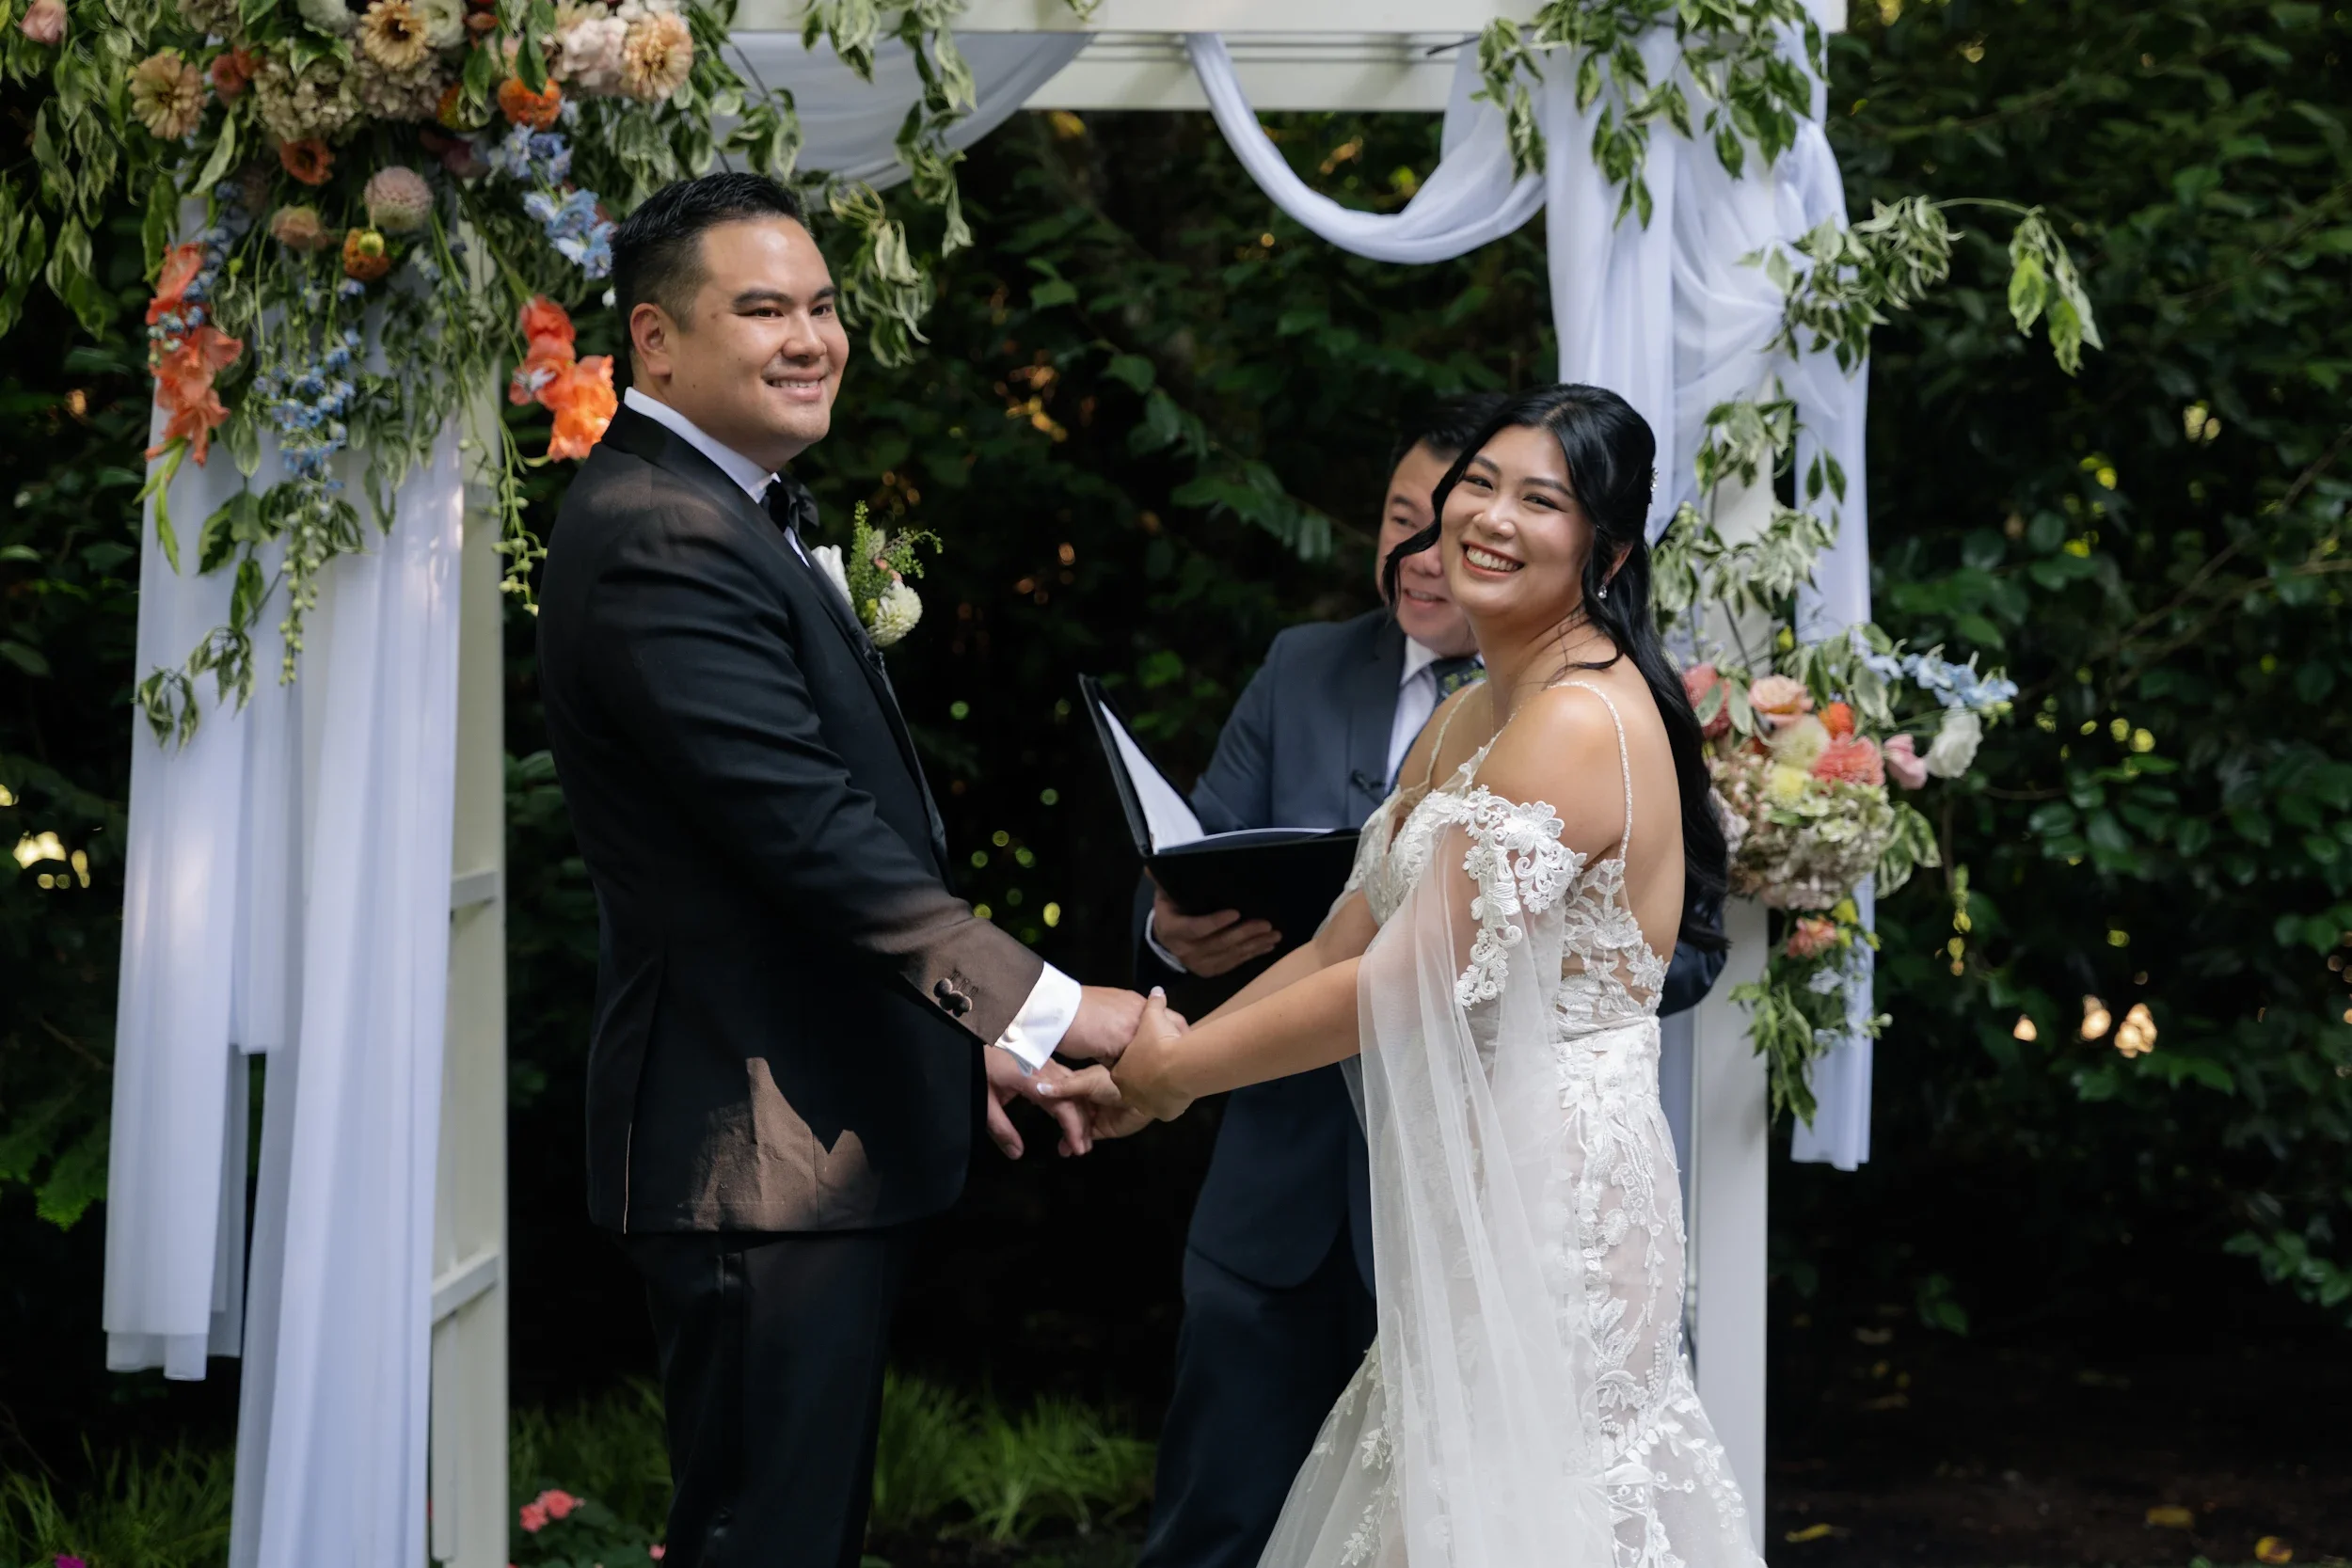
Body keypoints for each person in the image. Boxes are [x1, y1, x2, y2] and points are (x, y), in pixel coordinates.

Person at [534, 172, 1146, 1568]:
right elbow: (807, 833)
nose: (810, 335)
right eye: (763, 307)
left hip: (805, 1118)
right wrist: (1045, 1009)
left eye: (821, 304)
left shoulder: (733, 506)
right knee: (764, 1538)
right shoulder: (659, 534)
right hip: (751, 1137)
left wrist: (957, 1045)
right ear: (656, 339)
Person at [1070, 386, 1759, 1568]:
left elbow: (1401, 979)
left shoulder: (1582, 719)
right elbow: (1343, 938)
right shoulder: (1473, 710)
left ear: (1607, 549)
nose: (1488, 516)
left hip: (1553, 1202)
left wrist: (1174, 1069)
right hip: (1460, 1193)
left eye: (1538, 498)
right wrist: (1160, 1072)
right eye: (1475, 486)